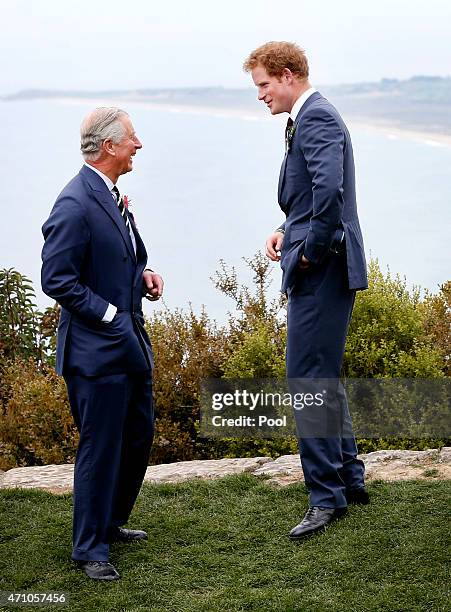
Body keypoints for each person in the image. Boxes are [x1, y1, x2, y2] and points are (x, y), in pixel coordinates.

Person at [244, 42, 369, 540]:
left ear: (288, 74)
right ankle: (350, 478)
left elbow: (331, 196)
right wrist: (286, 226)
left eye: (264, 85)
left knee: (306, 382)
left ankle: (325, 497)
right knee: (323, 376)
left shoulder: (315, 118)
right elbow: (310, 195)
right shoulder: (309, 117)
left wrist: (309, 252)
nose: (261, 95)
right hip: (323, 261)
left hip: (323, 268)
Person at [41, 107, 163, 580]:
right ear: (110, 146)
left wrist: (143, 275)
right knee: (101, 446)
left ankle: (111, 523)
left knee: (138, 436)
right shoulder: (73, 204)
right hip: (96, 352)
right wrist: (111, 314)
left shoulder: (111, 196)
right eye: (133, 138)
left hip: (128, 343)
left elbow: (125, 255)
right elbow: (57, 279)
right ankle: (89, 549)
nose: (139, 145)